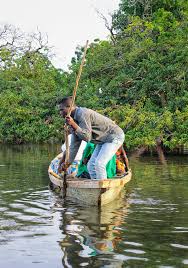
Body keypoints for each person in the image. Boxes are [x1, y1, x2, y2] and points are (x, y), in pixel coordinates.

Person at [58, 96, 125, 180]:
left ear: (69, 107)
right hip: (102, 140)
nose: (60, 113)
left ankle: (103, 188)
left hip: (114, 136)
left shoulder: (82, 113)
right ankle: (96, 187)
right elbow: (74, 146)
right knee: (91, 166)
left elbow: (87, 138)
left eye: (61, 110)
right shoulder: (72, 120)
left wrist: (73, 124)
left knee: (99, 163)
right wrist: (67, 163)